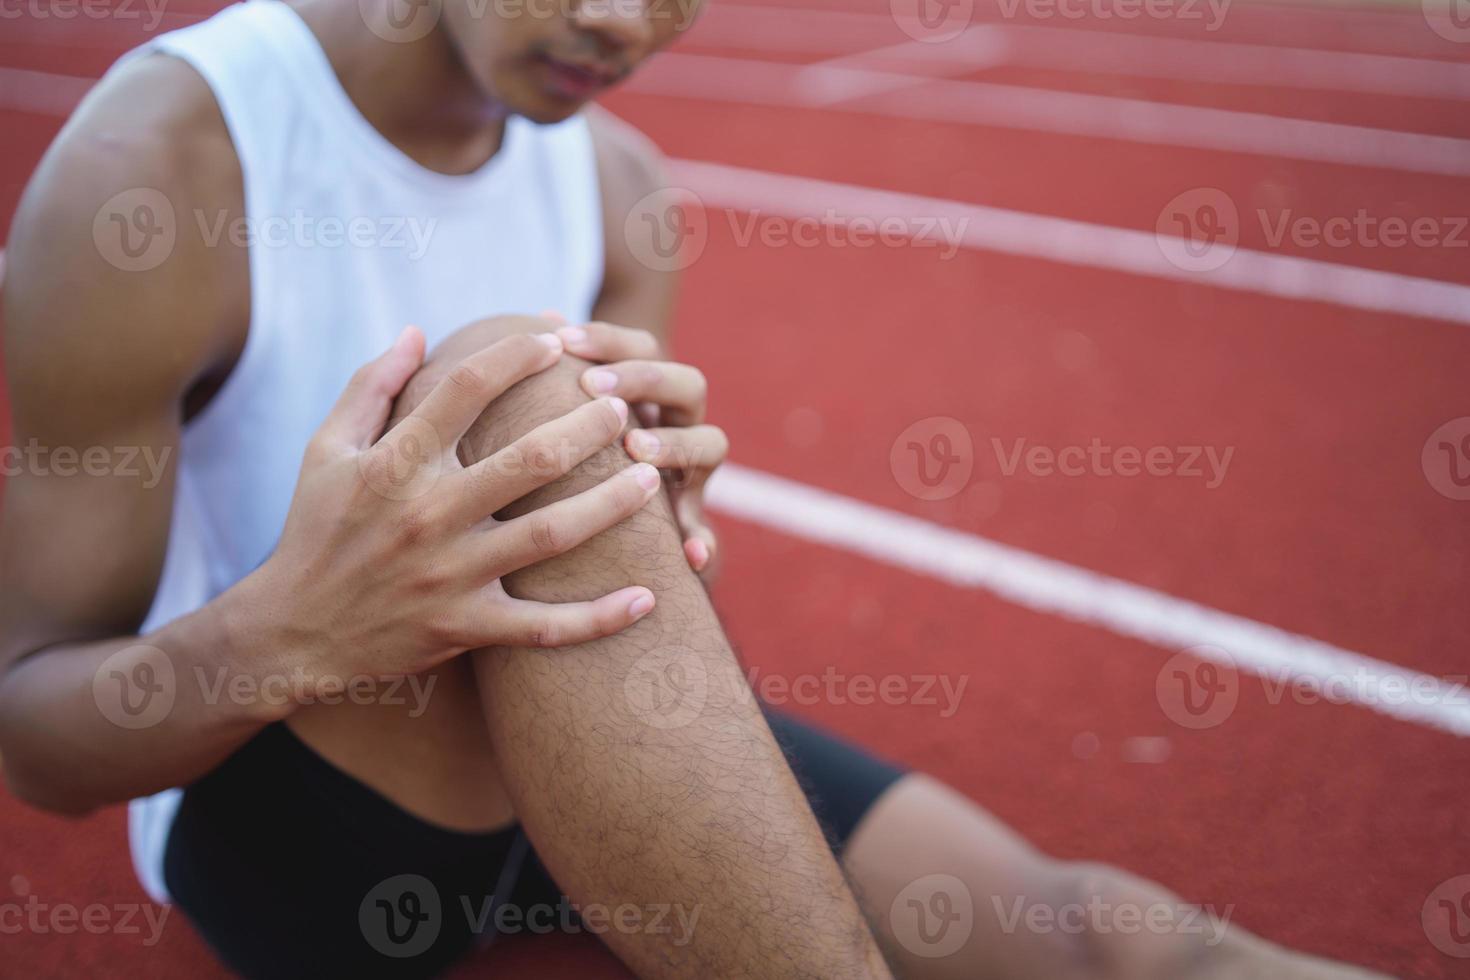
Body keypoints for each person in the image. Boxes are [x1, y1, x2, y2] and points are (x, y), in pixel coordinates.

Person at [0, 0, 1383, 977]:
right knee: (518, 378)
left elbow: (628, 584)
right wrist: (301, 626)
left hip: (570, 737)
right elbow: (40, 734)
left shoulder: (619, 187)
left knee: (1109, 943)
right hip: (301, 803)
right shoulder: (168, 165)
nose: (624, 19)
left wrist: (661, 518)